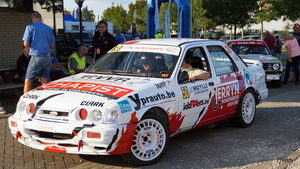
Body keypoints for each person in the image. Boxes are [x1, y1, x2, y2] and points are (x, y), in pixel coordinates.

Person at [22, 11, 55, 93]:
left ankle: (25, 100)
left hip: (36, 57)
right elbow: (52, 45)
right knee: (44, 80)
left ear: (32, 19)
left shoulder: (30, 27)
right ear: (40, 18)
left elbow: (26, 43)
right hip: (47, 57)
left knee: (28, 81)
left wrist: (28, 47)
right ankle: (44, 98)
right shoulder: (48, 28)